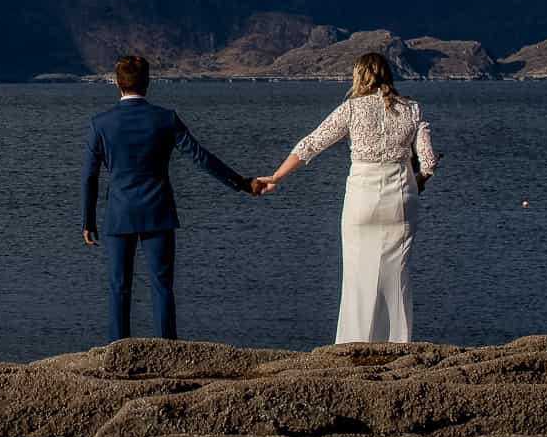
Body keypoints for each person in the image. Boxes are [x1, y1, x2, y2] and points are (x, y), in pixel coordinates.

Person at [81, 54, 268, 342]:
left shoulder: (100, 124)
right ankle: (167, 350)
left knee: (119, 288)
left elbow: (90, 177)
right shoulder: (165, 119)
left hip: (119, 214)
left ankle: (117, 351)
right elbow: (200, 157)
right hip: (158, 211)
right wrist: (242, 183)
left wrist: (88, 220)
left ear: (117, 84)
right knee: (162, 286)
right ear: (148, 83)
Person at [262, 51, 439, 344]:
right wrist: (420, 180)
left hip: (362, 199)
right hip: (401, 197)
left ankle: (353, 344)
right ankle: (397, 343)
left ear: (359, 76)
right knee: (397, 275)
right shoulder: (413, 110)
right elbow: (429, 160)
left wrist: (277, 177)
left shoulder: (351, 109)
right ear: (388, 75)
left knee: (358, 275)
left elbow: (312, 143)